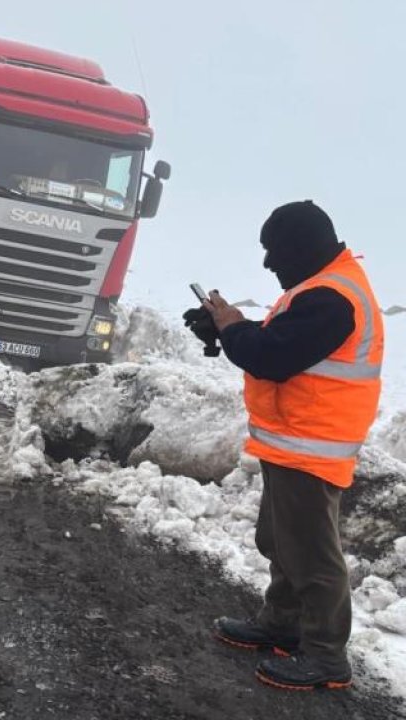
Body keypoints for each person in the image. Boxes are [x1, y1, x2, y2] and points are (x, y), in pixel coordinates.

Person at [183, 200, 383, 691]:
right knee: (282, 543)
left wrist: (232, 327)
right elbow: (274, 341)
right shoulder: (316, 288)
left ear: (300, 247)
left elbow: (272, 357)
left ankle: (326, 658)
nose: (269, 263)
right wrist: (228, 327)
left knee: (314, 559)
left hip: (314, 448)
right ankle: (282, 626)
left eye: (274, 251)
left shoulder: (332, 297)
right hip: (294, 443)